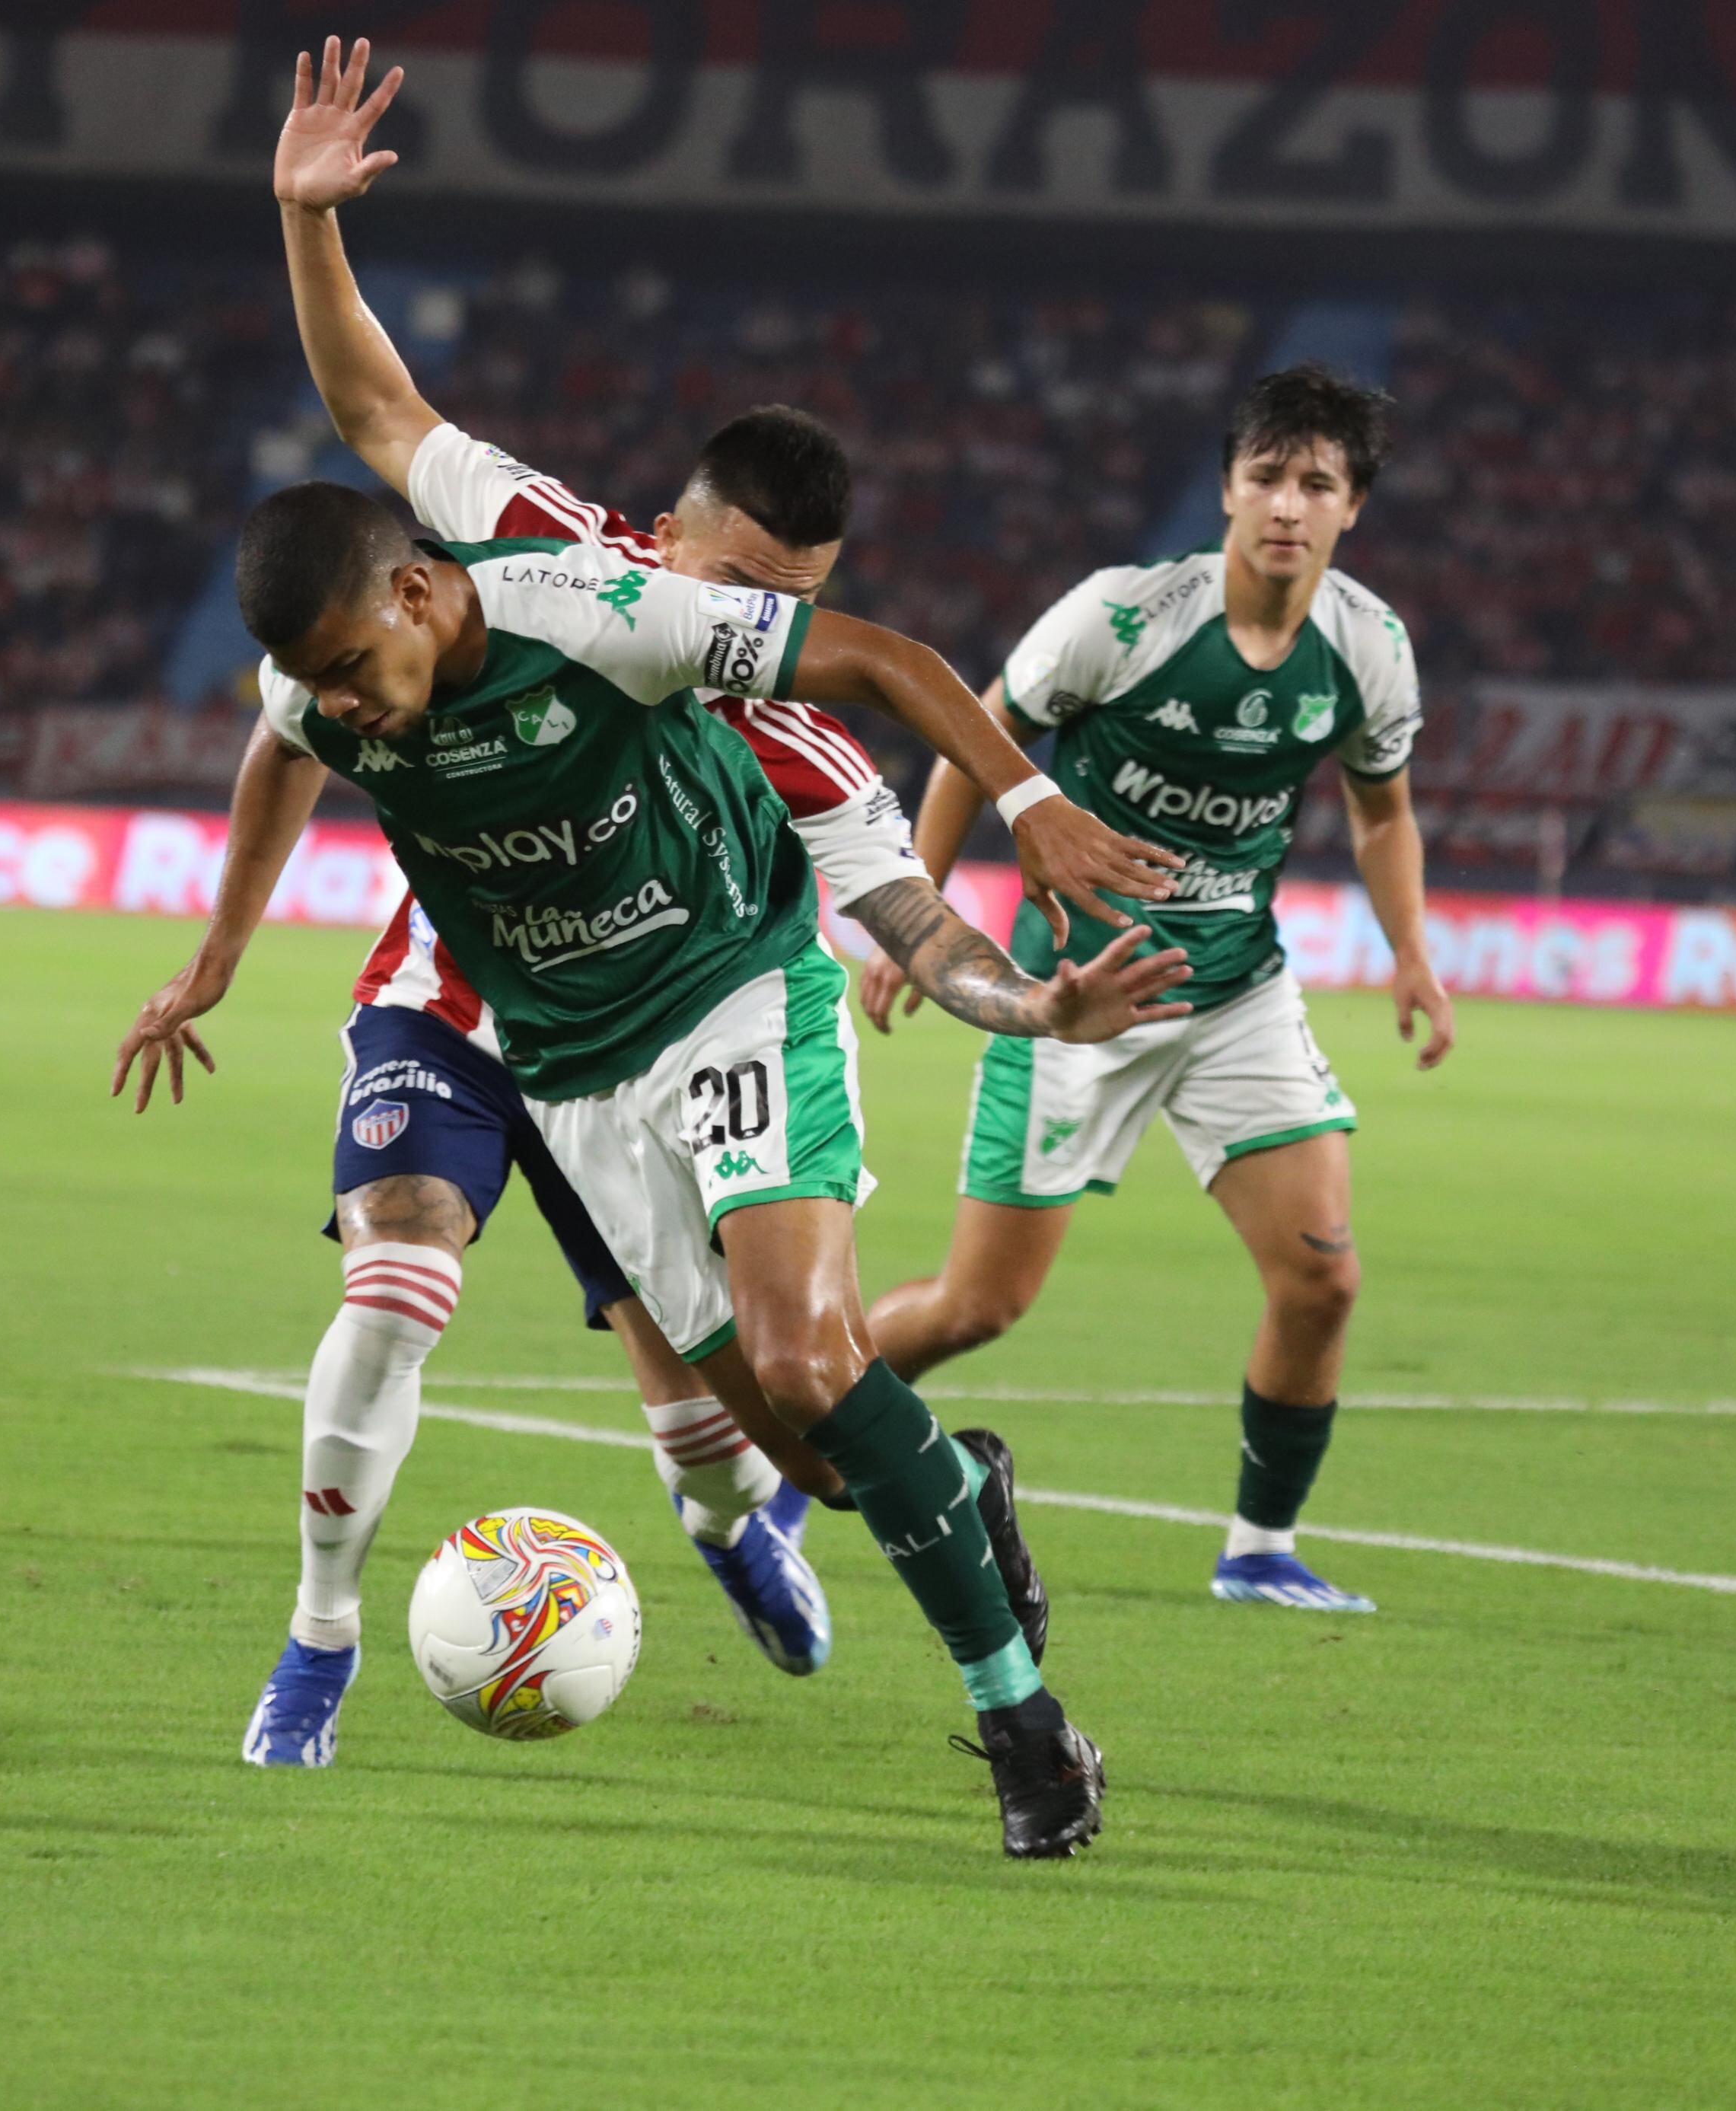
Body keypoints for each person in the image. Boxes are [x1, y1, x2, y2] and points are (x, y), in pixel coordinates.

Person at [197, 37, 1187, 1781]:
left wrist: (1029, 972)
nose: (757, 626)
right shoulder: (547, 561)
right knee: (428, 1291)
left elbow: (909, 922)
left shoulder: (794, 748)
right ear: (674, 540)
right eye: (735, 588)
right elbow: (373, 418)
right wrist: (305, 222)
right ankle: (323, 1634)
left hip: (699, 1011)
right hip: (475, 1008)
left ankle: (869, 1537)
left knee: (790, 1428)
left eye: (791, 604)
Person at [116, 458, 1190, 1853]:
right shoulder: (326, 684)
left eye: (349, 665)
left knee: (807, 1359)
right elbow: (280, 749)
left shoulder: (612, 616)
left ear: (419, 591)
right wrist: (216, 961)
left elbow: (888, 678)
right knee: (817, 1461)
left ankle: (1025, 1728)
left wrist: (1032, 884)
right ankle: (958, 1479)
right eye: (313, 676)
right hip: (576, 1078)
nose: (338, 700)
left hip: (740, 996)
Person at [859, 365, 1452, 1619]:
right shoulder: (1123, 620)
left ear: (1354, 509)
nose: (1287, 504)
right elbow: (979, 739)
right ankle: (798, 1419)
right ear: (1228, 489)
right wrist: (917, 919)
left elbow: (1381, 808)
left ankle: (1259, 1547)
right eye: (1266, 478)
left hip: (1237, 995)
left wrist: (1412, 951)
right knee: (979, 1307)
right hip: (1077, 994)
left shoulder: (1370, 647)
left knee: (1324, 1279)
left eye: (1318, 484)